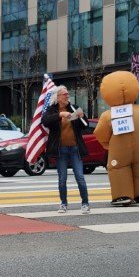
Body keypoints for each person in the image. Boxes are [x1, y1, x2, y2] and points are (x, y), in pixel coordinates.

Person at [42, 85, 91, 214]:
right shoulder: (52, 109)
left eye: (68, 94)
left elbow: (85, 126)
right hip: (61, 149)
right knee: (62, 178)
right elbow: (45, 121)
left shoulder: (73, 107)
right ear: (58, 97)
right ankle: (63, 204)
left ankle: (85, 203)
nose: (67, 96)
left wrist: (82, 116)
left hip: (75, 148)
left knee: (80, 177)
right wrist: (60, 115)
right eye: (64, 94)